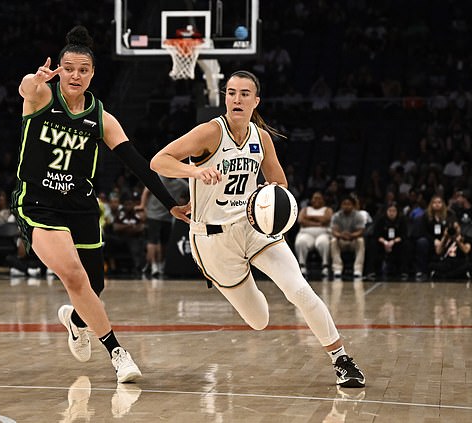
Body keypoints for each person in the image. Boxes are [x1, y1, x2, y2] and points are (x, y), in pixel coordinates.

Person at [150, 70, 365, 388]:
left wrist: (264, 198)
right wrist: (194, 173)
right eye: (231, 92)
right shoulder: (210, 132)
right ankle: (244, 280)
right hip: (213, 240)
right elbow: (159, 161)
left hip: (253, 227)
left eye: (244, 93)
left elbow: (279, 183)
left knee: (299, 290)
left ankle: (341, 359)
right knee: (259, 320)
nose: (236, 98)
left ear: (256, 100)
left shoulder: (261, 137)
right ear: (225, 97)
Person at [9, 26, 188, 383]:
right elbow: (25, 88)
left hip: (81, 207)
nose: (75, 75)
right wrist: (34, 78)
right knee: (73, 276)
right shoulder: (42, 96)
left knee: (94, 287)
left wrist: (170, 203)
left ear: (92, 74)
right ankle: (118, 352)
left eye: (83, 69)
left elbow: (138, 163)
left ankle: (76, 322)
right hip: (39, 203)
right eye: (69, 68)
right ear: (58, 69)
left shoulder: (102, 118)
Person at [294, 191, 332, 278]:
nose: (316, 200)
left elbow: (326, 219)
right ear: (311, 200)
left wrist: (309, 218)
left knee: (324, 243)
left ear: (323, 200)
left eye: (319, 198)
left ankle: (325, 266)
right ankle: (302, 266)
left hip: (323, 234)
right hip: (306, 234)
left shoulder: (327, 209)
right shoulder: (305, 209)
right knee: (301, 242)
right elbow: (300, 220)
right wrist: (318, 223)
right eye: (315, 198)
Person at [330, 195, 366, 279]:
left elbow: (361, 231)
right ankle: (337, 269)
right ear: (341, 205)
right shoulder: (336, 216)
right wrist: (341, 235)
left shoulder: (358, 215)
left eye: (349, 204)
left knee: (361, 241)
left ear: (353, 206)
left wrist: (351, 235)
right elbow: (334, 231)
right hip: (341, 240)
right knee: (333, 241)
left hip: (353, 240)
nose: (346, 206)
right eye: (344, 204)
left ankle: (358, 269)